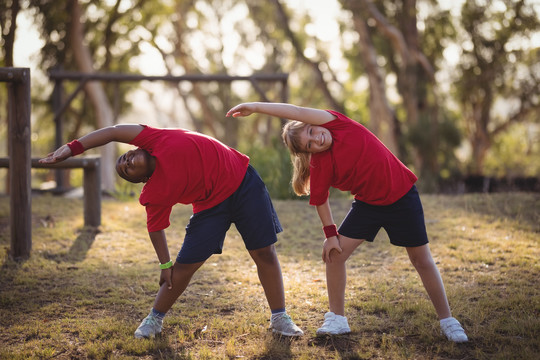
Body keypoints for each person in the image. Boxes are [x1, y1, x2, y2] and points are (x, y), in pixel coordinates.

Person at [226, 102, 468, 343]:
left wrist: (256, 107)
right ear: (309, 152)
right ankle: (337, 319)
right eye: (309, 144)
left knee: (420, 259)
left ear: (315, 123)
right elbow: (321, 200)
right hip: (368, 206)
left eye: (312, 132)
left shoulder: (339, 124)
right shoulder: (319, 163)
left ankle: (448, 321)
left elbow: (297, 112)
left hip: (402, 196)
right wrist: (330, 235)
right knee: (334, 254)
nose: (316, 140)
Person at [39, 124, 303, 339]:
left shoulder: (155, 138)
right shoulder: (155, 192)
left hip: (243, 181)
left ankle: (280, 318)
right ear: (142, 180)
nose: (126, 161)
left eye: (125, 157)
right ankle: (154, 319)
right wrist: (165, 264)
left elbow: (112, 132)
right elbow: (156, 229)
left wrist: (72, 148)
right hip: (210, 206)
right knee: (183, 267)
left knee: (264, 253)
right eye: (126, 169)